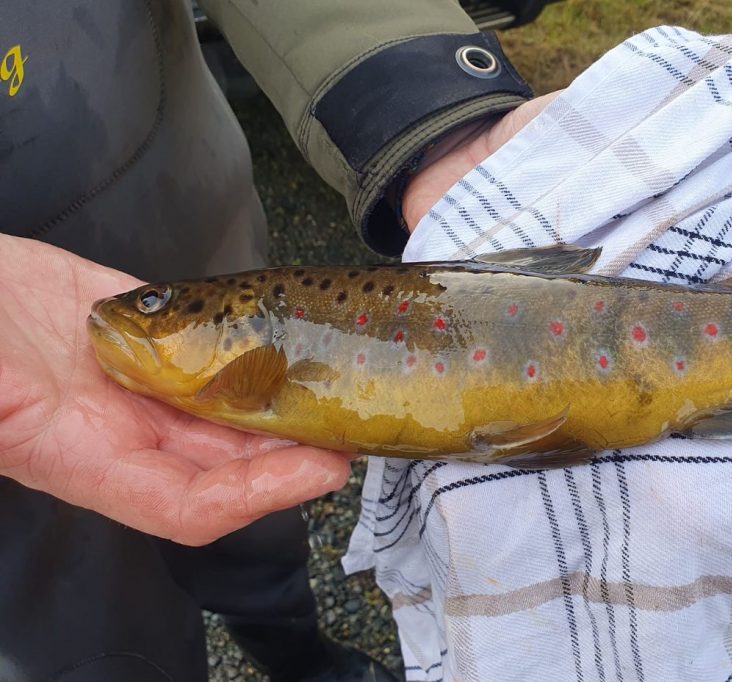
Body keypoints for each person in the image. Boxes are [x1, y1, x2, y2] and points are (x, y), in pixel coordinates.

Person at [0, 1, 551, 680]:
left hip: (181, 186)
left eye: (154, 307)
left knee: (257, 517)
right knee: (86, 628)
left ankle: (299, 658)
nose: (134, 312)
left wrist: (427, 98)